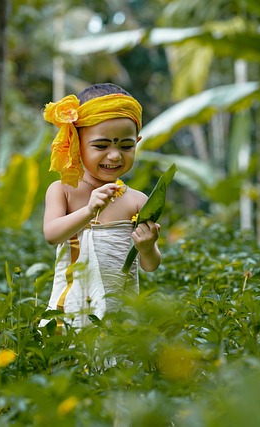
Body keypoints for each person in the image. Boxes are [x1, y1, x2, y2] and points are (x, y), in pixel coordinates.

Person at [41, 83, 161, 329]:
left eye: (126, 146)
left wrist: (147, 248)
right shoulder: (62, 190)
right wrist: (88, 211)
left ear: (137, 142)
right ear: (77, 143)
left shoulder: (137, 200)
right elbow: (52, 235)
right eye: (101, 146)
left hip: (118, 313)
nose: (115, 155)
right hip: (70, 308)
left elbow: (150, 265)